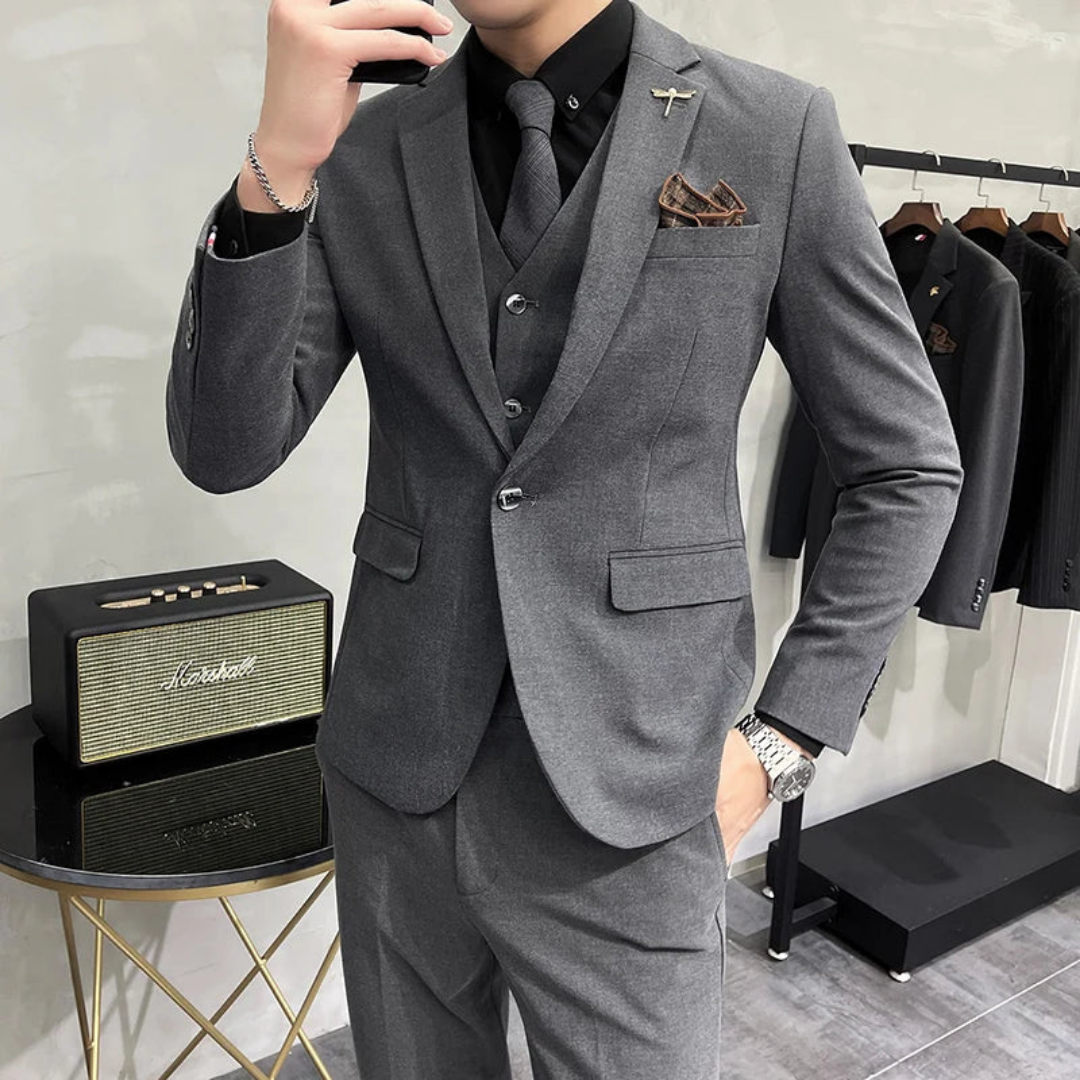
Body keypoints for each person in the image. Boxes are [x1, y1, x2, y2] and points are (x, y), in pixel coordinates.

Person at [165, 1, 963, 1076]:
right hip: (398, 772)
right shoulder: (364, 140)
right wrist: (279, 168)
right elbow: (225, 449)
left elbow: (907, 468)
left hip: (638, 795)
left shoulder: (771, 129)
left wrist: (783, 740)